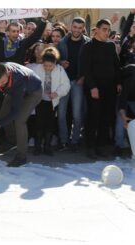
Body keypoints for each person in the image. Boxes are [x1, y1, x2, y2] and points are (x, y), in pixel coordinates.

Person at [0, 62, 42, 167]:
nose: (0, 85)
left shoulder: (19, 79)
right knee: (2, 114)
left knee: (19, 120)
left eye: (3, 82)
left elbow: (15, 111)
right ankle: (12, 141)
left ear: (8, 73)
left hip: (33, 91)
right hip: (13, 89)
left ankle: (21, 156)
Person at [80, 19, 121, 159]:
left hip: (109, 88)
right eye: (104, 29)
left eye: (108, 30)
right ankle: (90, 147)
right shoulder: (88, 46)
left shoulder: (110, 46)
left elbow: (116, 65)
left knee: (105, 118)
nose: (107, 32)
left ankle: (101, 146)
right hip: (94, 88)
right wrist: (92, 87)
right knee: (93, 117)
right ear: (96, 29)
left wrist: (118, 82)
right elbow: (86, 68)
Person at [57, 17, 91, 152]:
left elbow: (90, 64)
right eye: (75, 27)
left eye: (80, 28)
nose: (77, 30)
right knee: (61, 113)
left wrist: (84, 77)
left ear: (83, 28)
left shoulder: (88, 43)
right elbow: (55, 59)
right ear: (71, 27)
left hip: (78, 82)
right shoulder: (62, 42)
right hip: (64, 81)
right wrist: (61, 63)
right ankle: (64, 141)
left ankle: (75, 141)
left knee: (77, 114)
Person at [31, 47, 70, 156]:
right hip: (40, 101)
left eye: (50, 66)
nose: (48, 68)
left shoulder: (60, 70)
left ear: (55, 63)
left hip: (52, 102)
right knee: (39, 123)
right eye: (45, 66)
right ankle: (37, 146)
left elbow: (66, 85)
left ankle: (47, 146)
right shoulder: (37, 69)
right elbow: (30, 82)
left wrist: (57, 93)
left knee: (49, 124)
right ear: (42, 63)